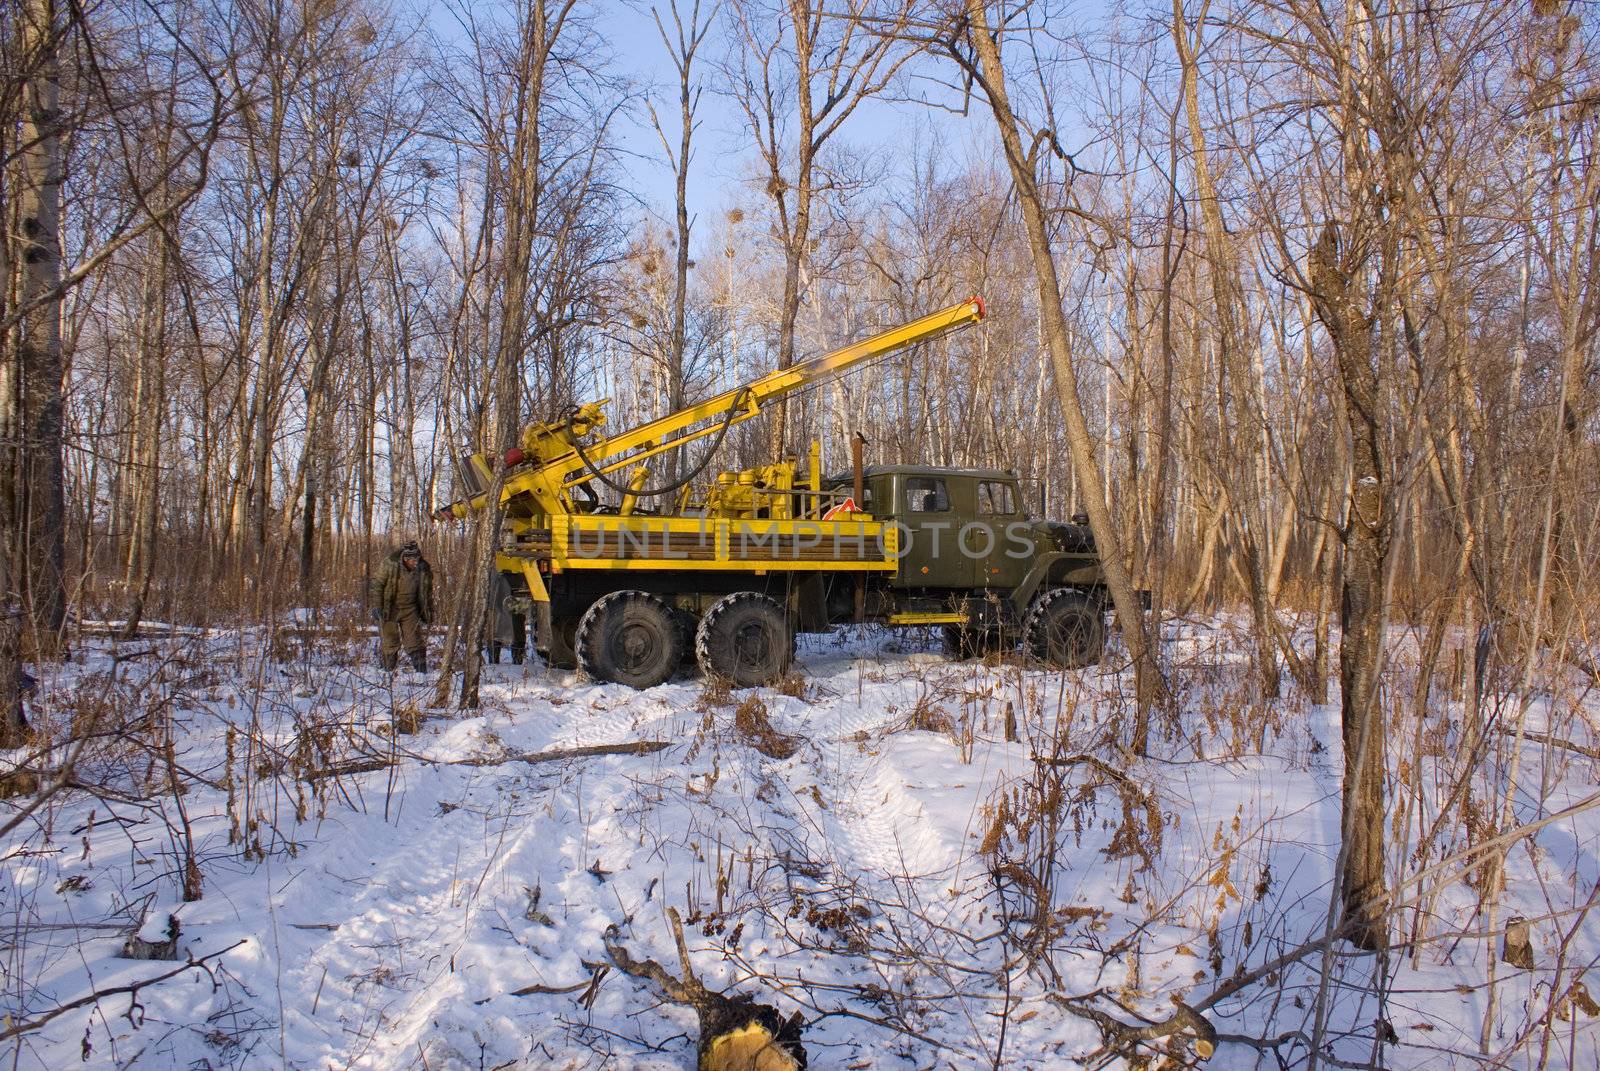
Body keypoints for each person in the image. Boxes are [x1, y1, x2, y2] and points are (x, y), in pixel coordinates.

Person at [369, 540, 433, 672]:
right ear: (405, 558)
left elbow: (427, 592)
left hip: (410, 609)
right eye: (412, 559)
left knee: (414, 641)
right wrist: (377, 606)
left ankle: (422, 672)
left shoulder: (423, 568)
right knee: (390, 642)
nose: (415, 562)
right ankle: (388, 672)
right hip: (389, 608)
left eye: (417, 558)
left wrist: (427, 612)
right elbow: (377, 585)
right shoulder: (390, 564)